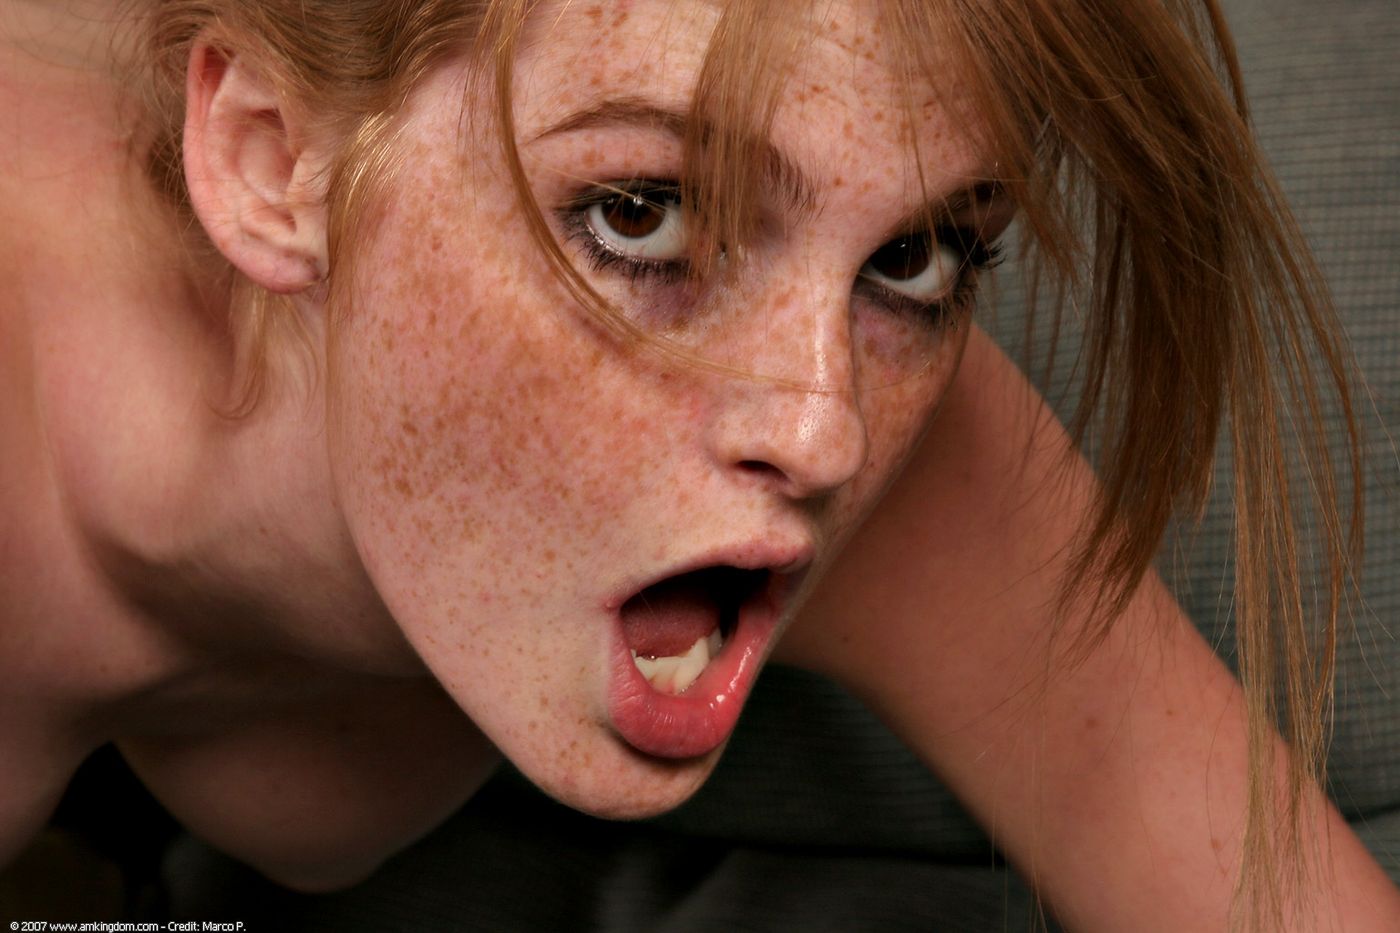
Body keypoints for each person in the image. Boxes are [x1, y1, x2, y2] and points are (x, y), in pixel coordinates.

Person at [0, 0, 1395, 929]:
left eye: (923, 254)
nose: (823, 432)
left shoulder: (843, 405)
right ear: (268, 164)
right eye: (644, 215)